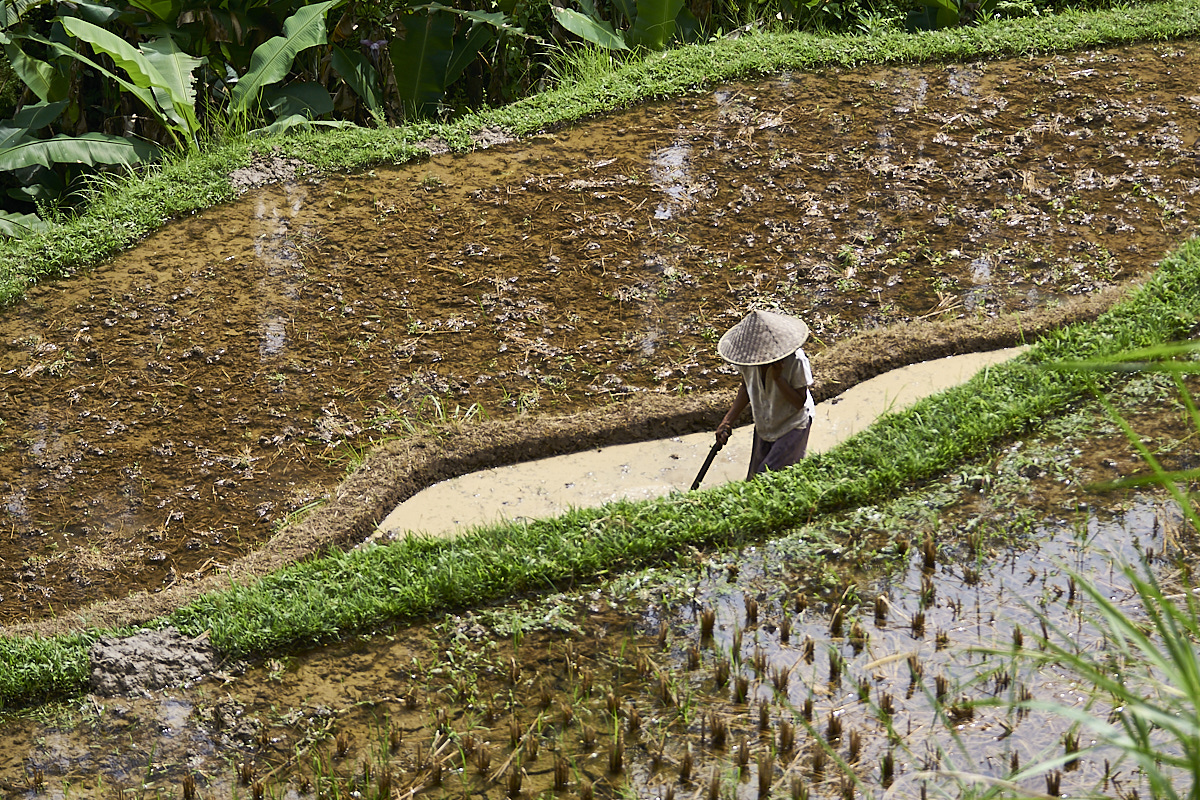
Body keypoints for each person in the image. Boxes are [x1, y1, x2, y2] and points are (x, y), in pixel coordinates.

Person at [714, 309, 815, 479]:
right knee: (754, 478)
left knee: (768, 478)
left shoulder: (795, 360)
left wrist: (778, 379)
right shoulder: (747, 359)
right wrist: (727, 421)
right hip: (765, 424)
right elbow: (746, 386)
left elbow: (799, 402)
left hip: (792, 424)